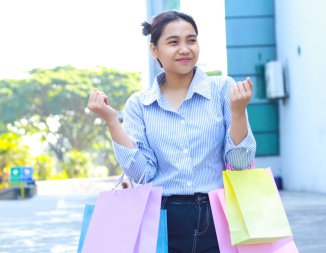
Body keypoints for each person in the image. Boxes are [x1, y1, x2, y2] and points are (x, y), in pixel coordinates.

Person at [88, 10, 256, 253]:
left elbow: (240, 164)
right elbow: (142, 173)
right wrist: (112, 121)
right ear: (154, 50)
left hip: (220, 213)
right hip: (162, 217)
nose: (185, 49)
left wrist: (238, 112)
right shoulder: (139, 104)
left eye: (191, 40)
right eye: (173, 42)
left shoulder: (223, 89)